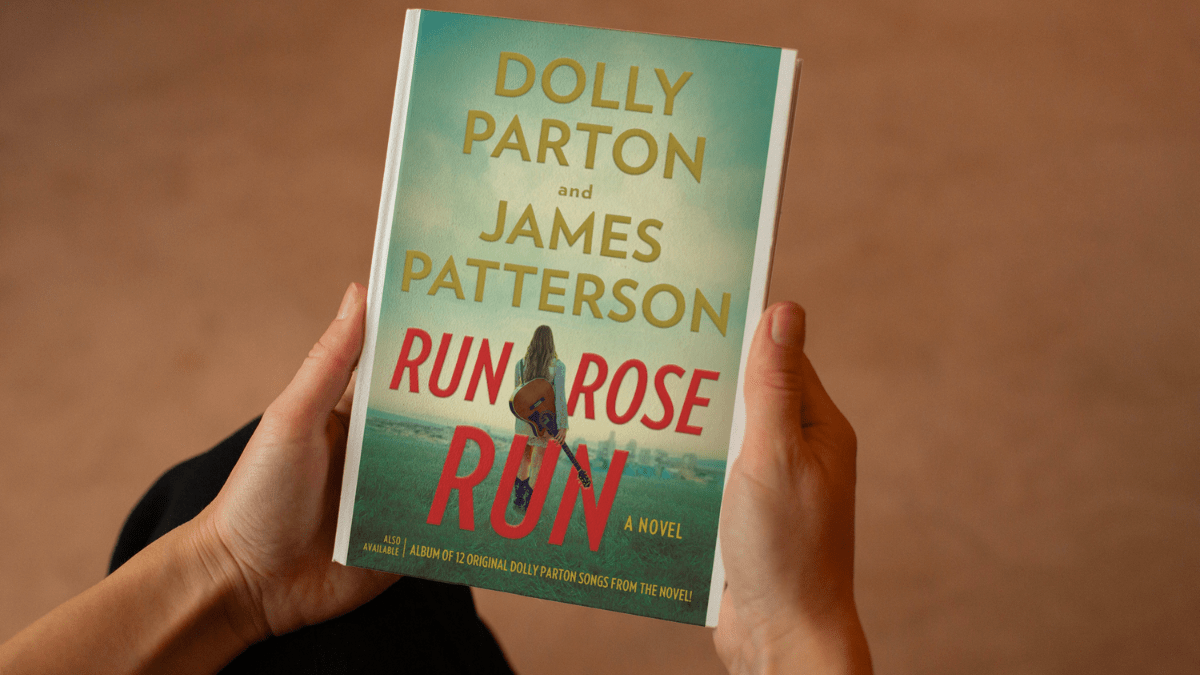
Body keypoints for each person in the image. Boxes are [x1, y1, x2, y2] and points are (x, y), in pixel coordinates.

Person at [0, 283, 872, 674]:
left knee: (239, 499)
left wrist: (234, 569)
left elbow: (546, 402)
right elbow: (532, 402)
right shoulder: (534, 374)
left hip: (543, 433)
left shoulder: (546, 372)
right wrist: (798, 633)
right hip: (535, 435)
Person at [509, 325, 569, 512]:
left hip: (524, 421)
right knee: (537, 464)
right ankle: (528, 505)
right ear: (551, 342)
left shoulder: (520, 364)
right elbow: (560, 398)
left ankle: (518, 500)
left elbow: (517, 395)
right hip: (544, 423)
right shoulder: (558, 367)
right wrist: (563, 426)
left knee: (524, 461)